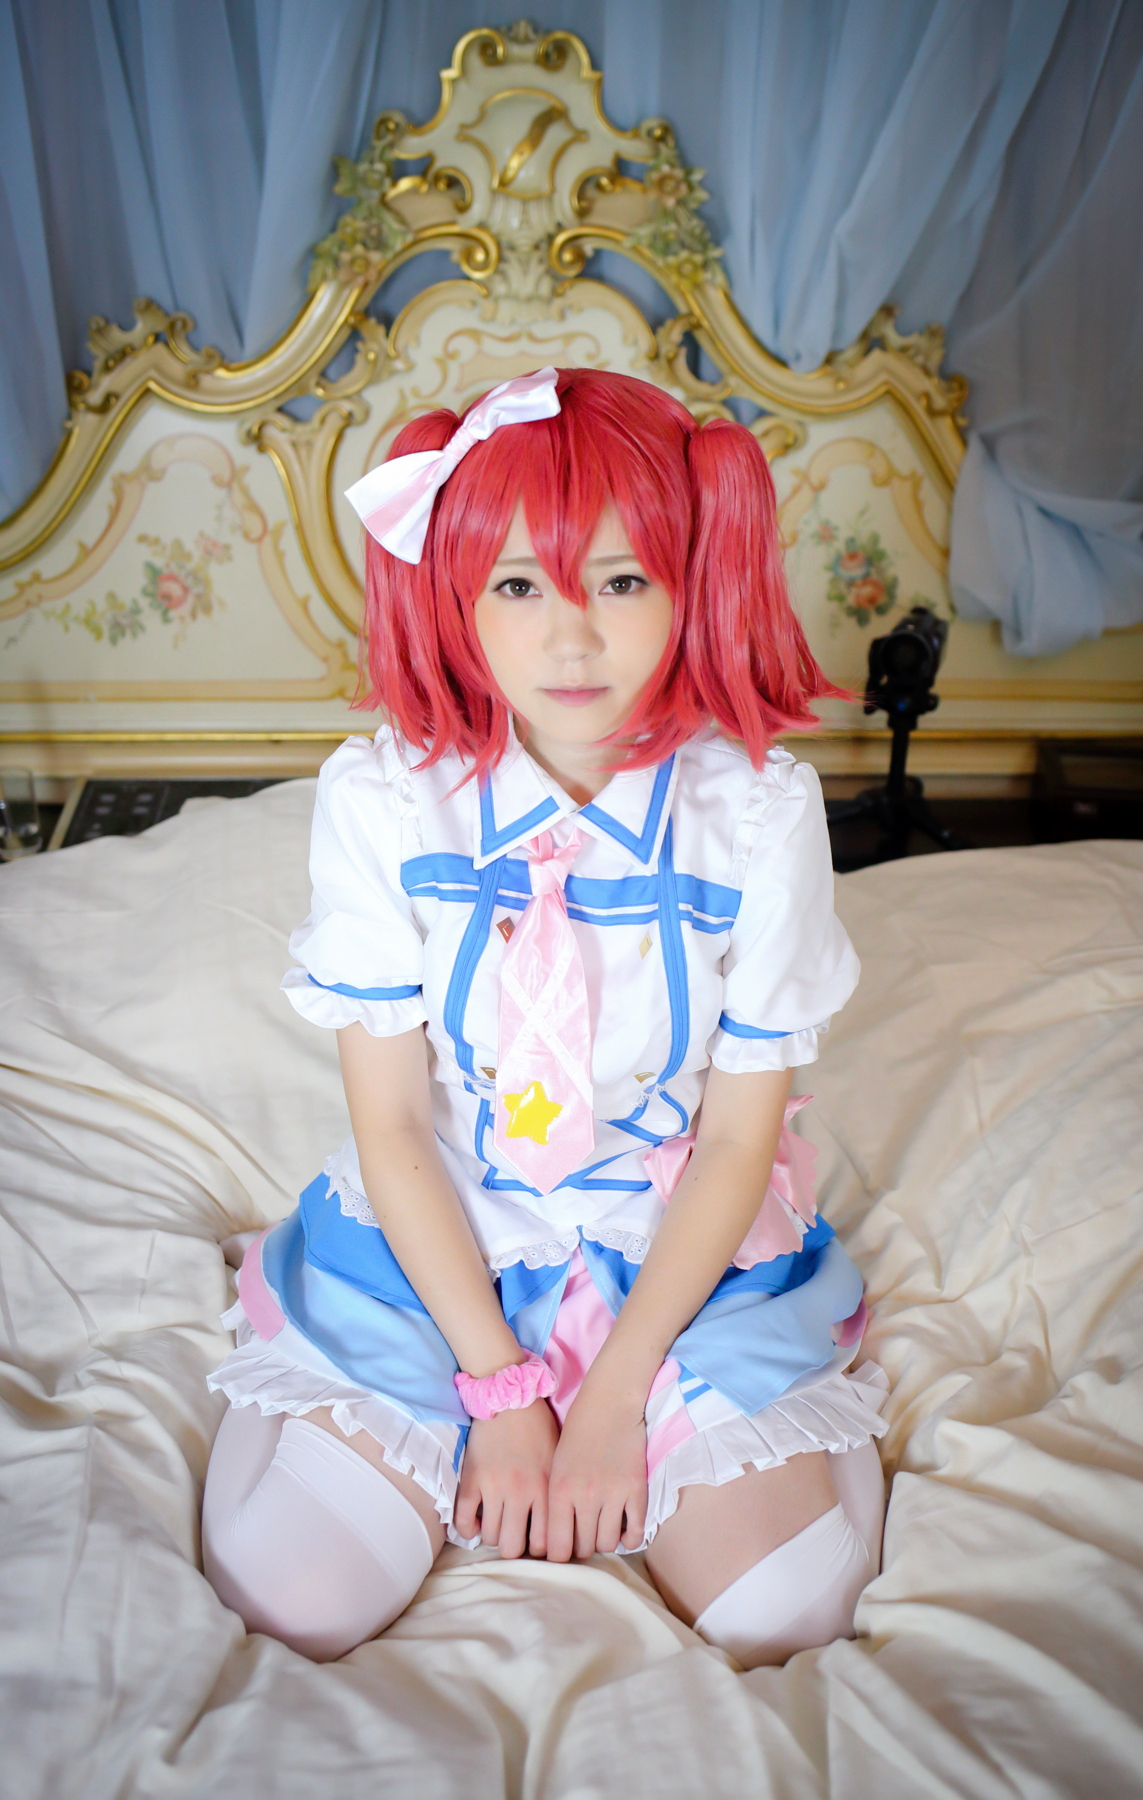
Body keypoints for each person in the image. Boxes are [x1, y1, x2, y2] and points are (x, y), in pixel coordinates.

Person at [202, 366, 887, 1666]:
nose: (572, 641)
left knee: (788, 1609)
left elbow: (740, 1141)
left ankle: (710, 1394)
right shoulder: (387, 802)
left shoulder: (757, 814)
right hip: (447, 1220)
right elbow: (394, 1125)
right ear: (457, 596)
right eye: (517, 586)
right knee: (293, 1594)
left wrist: (614, 1399)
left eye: (620, 581)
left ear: (691, 579)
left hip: (673, 1235)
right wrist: (504, 1393)